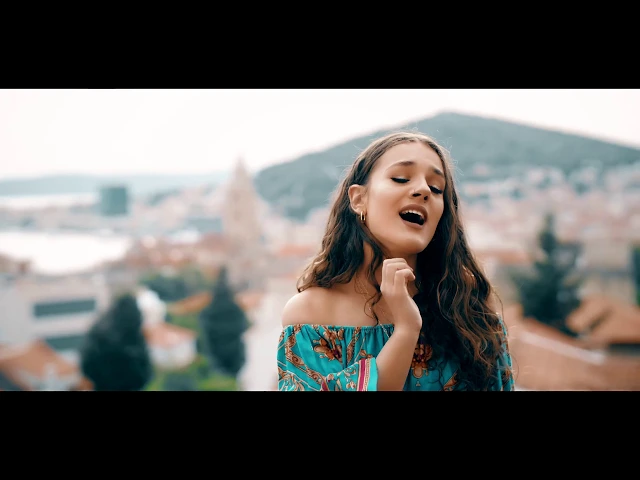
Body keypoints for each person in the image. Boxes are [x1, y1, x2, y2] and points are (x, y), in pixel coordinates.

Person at [276, 130, 515, 391]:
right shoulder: (310, 315)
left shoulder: (470, 312)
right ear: (359, 199)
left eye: (436, 188)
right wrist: (406, 330)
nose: (423, 190)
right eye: (400, 178)